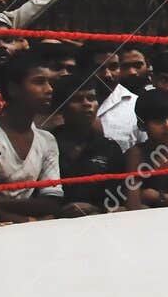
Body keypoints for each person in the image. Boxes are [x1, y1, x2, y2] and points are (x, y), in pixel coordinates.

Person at [0, 53, 65, 223]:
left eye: (50, 83)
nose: (49, 89)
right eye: (39, 82)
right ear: (13, 89)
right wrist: (28, 221)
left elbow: (52, 201)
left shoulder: (47, 140)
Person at [50, 73, 125, 217]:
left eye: (91, 98)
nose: (87, 104)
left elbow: (120, 196)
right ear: (61, 107)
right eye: (77, 99)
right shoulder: (47, 143)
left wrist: (95, 209)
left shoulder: (110, 148)